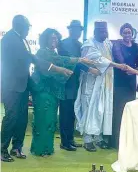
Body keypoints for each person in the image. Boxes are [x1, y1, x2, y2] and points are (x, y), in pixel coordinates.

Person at [1, 15, 73, 162]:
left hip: (23, 85)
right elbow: (31, 58)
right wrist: (57, 68)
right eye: (27, 27)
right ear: (19, 25)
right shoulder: (9, 39)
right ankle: (2, 150)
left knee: (22, 118)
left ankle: (17, 147)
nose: (28, 30)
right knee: (11, 117)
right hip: (11, 86)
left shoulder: (21, 39)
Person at [74, 21, 138, 152]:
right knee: (90, 108)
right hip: (92, 83)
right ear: (95, 32)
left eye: (105, 32)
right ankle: (87, 139)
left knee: (102, 109)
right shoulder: (88, 44)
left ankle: (98, 138)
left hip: (105, 83)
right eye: (101, 32)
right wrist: (119, 66)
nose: (104, 34)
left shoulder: (107, 43)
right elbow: (99, 60)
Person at [30, 28, 97, 157]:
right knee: (43, 120)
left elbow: (62, 59)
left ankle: (47, 148)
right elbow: (60, 61)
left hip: (53, 92)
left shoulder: (53, 52)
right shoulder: (42, 52)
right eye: (51, 38)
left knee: (50, 121)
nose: (54, 40)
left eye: (56, 38)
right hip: (43, 91)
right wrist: (79, 60)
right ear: (45, 39)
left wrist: (79, 61)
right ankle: (40, 149)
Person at [110, 23, 138, 149]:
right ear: (121, 33)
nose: (127, 35)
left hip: (131, 84)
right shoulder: (117, 46)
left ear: (132, 33)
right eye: (125, 32)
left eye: (129, 32)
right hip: (120, 83)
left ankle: (126, 141)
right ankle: (115, 141)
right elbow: (123, 65)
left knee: (128, 111)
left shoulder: (136, 46)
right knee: (118, 111)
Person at [58, 20, 88, 151]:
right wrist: (89, 68)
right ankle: (64, 142)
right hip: (65, 82)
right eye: (74, 29)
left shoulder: (80, 44)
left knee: (72, 112)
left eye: (79, 30)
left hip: (75, 83)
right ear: (70, 30)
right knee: (65, 112)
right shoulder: (63, 43)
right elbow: (72, 60)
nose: (77, 32)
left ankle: (70, 139)